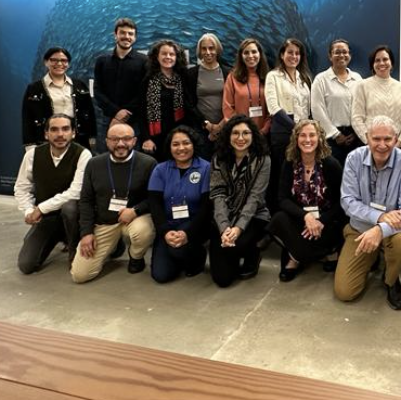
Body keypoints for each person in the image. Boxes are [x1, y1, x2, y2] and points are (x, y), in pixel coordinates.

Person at [335, 115, 401, 310]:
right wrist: (379, 216)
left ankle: (390, 278)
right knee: (345, 292)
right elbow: (347, 201)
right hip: (361, 229)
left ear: (396, 139)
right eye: (376, 139)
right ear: (367, 138)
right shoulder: (354, 159)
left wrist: (381, 229)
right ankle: (371, 256)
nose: (382, 145)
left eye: (388, 139)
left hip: (394, 230)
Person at [71, 123, 156, 284]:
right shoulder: (94, 164)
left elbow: (155, 199)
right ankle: (115, 246)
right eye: (115, 139)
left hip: (134, 219)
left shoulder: (148, 163)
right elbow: (86, 201)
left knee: (142, 232)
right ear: (107, 141)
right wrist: (86, 233)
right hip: (104, 222)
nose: (121, 144)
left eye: (126, 139)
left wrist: (136, 210)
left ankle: (136, 257)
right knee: (80, 275)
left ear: (134, 141)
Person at [268, 119, 345, 282]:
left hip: (326, 221)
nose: (307, 140)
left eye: (312, 135)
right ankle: (317, 253)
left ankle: (296, 256)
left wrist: (320, 221)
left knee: (332, 229)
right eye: (302, 135)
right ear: (296, 139)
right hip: (301, 219)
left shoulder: (331, 164)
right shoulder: (289, 163)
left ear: (320, 138)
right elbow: (282, 199)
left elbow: (342, 202)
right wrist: (306, 217)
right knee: (278, 219)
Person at [13, 114, 91, 274]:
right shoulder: (32, 155)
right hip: (47, 219)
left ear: (73, 133)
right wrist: (28, 211)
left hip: (75, 217)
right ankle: (59, 237)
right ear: (46, 134)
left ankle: (73, 249)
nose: (60, 134)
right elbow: (22, 188)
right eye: (54, 129)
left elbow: (75, 192)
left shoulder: (83, 155)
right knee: (26, 265)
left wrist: (40, 209)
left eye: (65, 129)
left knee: (69, 208)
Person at [208, 115, 271, 287]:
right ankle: (232, 252)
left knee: (237, 244)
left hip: (253, 215)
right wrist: (224, 228)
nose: (240, 138)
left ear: (253, 135)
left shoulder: (263, 160)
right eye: (235, 133)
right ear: (228, 136)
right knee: (223, 279)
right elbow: (218, 194)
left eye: (245, 133)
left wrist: (237, 229)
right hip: (224, 215)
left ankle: (253, 252)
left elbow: (255, 197)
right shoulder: (218, 159)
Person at [147, 125, 212, 283]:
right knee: (161, 276)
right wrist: (165, 231)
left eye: (186, 143)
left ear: (194, 145)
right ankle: (176, 254)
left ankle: (196, 256)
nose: (181, 148)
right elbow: (154, 204)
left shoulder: (206, 168)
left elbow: (206, 207)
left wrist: (187, 233)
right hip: (168, 224)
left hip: (195, 224)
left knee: (178, 250)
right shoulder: (160, 169)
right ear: (169, 147)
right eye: (175, 144)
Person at [265, 38, 312, 211]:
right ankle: (279, 215)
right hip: (283, 133)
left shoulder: (304, 77)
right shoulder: (273, 76)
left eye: (297, 53)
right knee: (282, 176)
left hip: (303, 134)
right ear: (282, 55)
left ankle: (298, 211)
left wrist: (305, 130)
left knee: (300, 175)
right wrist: (296, 128)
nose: (294, 56)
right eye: (290, 52)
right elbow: (273, 107)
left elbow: (308, 108)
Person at [22, 47, 96, 151]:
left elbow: (90, 113)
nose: (59, 63)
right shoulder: (34, 88)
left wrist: (92, 137)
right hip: (47, 141)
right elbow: (27, 118)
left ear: (68, 64)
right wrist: (29, 145)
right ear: (46, 62)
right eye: (54, 60)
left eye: (63, 60)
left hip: (78, 140)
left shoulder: (80, 85)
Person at [137, 40, 197, 162]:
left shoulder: (183, 78)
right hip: (155, 137)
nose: (168, 57)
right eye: (164, 54)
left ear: (177, 57)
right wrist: (146, 138)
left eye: (172, 54)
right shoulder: (148, 80)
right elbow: (141, 111)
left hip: (179, 135)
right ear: (157, 56)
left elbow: (190, 106)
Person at [93, 18, 147, 151]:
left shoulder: (144, 61)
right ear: (115, 35)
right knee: (105, 157)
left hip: (134, 120)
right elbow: (97, 90)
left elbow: (144, 91)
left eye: (130, 34)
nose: (126, 37)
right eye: (123, 33)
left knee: (133, 158)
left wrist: (125, 113)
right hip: (108, 119)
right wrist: (116, 112)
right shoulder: (102, 61)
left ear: (135, 37)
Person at [310, 39, 362, 165]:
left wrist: (356, 132)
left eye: (345, 52)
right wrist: (335, 134)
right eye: (337, 52)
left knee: (355, 175)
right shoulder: (321, 79)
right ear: (330, 56)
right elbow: (317, 110)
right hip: (331, 139)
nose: (341, 55)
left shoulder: (358, 79)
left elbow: (363, 107)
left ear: (349, 55)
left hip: (355, 136)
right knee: (334, 176)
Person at [351, 45, 401, 147]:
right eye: (377, 60)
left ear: (391, 63)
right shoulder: (362, 86)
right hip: (370, 145)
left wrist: (399, 143)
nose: (382, 63)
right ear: (372, 64)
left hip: (396, 146)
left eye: (385, 59)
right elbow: (356, 118)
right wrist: (369, 142)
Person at [186, 33, 230, 160]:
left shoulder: (228, 72)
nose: (208, 52)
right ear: (199, 51)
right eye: (204, 48)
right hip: (200, 129)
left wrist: (219, 126)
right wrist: (207, 125)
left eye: (211, 48)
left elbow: (233, 102)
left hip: (225, 128)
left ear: (217, 49)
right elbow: (189, 104)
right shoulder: (192, 74)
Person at [223, 38, 271, 135]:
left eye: (254, 52)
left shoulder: (269, 77)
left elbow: (272, 109)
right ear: (241, 56)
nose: (250, 56)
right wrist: (241, 131)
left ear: (260, 54)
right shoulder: (232, 77)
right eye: (246, 53)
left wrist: (265, 129)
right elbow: (227, 108)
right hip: (240, 135)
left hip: (264, 134)